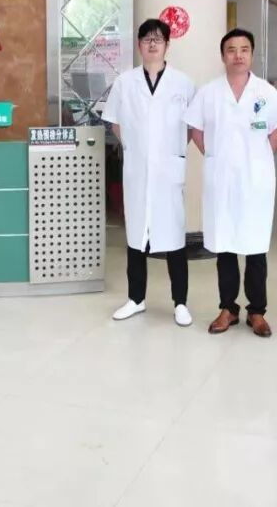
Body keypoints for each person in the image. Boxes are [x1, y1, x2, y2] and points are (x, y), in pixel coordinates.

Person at [185, 28, 277, 338]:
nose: (238, 55)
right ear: (223, 55)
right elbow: (196, 130)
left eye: (244, 49)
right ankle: (228, 308)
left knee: (255, 246)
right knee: (225, 244)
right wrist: (217, 156)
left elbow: (276, 133)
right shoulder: (209, 92)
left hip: (256, 179)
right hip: (221, 178)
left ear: (252, 54)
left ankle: (257, 311)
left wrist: (256, 159)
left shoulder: (266, 92)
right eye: (231, 50)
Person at [103, 19, 196, 327]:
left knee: (174, 237)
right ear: (139, 45)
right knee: (136, 235)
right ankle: (136, 299)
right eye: (147, 39)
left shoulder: (183, 83)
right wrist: (136, 148)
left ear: (167, 45)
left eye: (158, 39)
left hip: (168, 170)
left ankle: (180, 303)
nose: (152, 44)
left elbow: (191, 127)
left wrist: (168, 153)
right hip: (138, 169)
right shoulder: (124, 82)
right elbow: (116, 123)